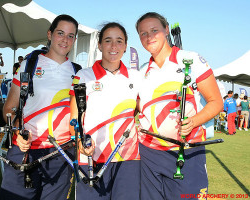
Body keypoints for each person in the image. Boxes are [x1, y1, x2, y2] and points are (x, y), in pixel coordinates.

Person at [135, 12, 223, 200]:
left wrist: (194, 121)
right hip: (149, 155)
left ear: (166, 30)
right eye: (143, 33)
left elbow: (216, 102)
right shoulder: (141, 72)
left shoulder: (190, 59)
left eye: (154, 30)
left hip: (186, 152)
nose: (149, 36)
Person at [1, 14, 80, 200]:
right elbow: (9, 109)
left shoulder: (79, 72)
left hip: (61, 152)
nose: (65, 39)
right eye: (61, 33)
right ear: (50, 34)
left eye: (70, 36)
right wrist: (18, 131)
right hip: (25, 150)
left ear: (75, 40)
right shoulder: (29, 64)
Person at [70, 22, 140, 200]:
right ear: (99, 45)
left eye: (119, 41)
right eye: (108, 40)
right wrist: (80, 143)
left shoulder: (136, 77)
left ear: (125, 46)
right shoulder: (83, 77)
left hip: (127, 160)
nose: (114, 46)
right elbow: (74, 119)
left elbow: (142, 111)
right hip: (91, 157)